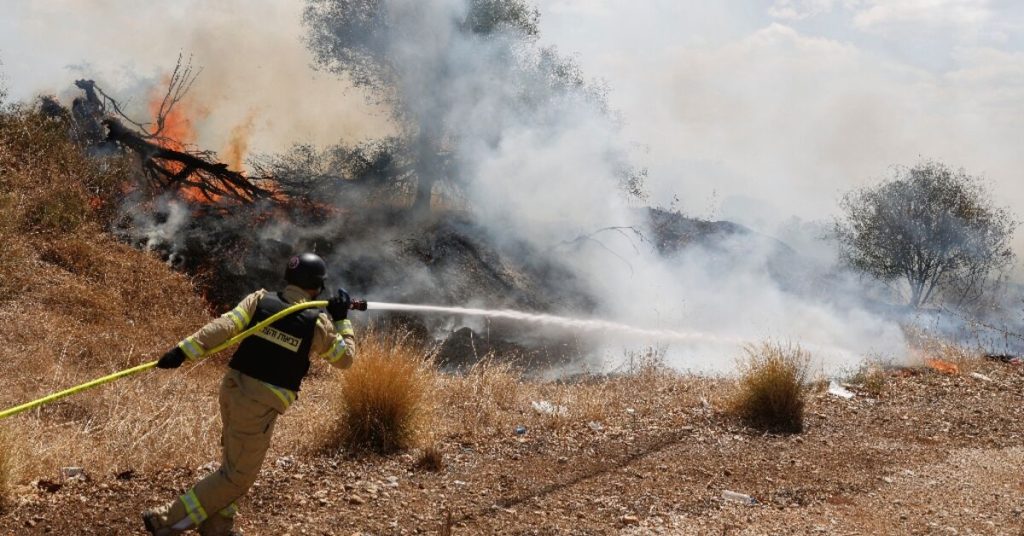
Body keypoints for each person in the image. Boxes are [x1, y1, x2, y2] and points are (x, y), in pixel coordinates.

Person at [142, 253, 357, 536]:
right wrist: (342, 321)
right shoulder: (317, 324)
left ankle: (217, 528)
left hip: (233, 392)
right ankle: (165, 520)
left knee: (235, 464)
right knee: (238, 478)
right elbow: (345, 359)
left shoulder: (260, 300)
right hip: (257, 408)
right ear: (317, 287)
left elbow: (225, 325)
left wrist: (183, 350)